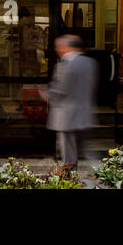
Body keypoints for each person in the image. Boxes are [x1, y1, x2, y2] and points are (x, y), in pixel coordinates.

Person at [45, 34, 99, 170]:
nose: (57, 50)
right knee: (85, 150)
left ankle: (70, 178)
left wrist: (46, 94)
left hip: (67, 116)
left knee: (69, 152)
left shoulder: (65, 65)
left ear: (67, 47)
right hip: (85, 114)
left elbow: (61, 90)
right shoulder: (90, 63)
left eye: (59, 47)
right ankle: (102, 171)